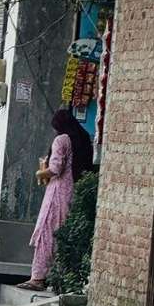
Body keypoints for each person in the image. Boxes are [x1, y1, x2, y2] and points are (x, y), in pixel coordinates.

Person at [19, 108, 93, 291]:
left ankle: (38, 278)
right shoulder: (82, 140)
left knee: (46, 232)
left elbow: (56, 168)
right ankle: (61, 278)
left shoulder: (61, 140)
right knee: (64, 235)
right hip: (73, 192)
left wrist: (38, 172)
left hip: (57, 192)